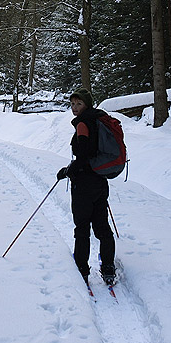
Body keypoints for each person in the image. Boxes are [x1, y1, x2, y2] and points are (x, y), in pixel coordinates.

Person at [57, 88, 116, 286]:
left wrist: (68, 171)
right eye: (72, 104)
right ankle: (108, 268)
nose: (74, 108)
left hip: (84, 184)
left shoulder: (83, 123)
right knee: (102, 227)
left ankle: (81, 270)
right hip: (100, 181)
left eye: (79, 104)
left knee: (82, 228)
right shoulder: (99, 119)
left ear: (87, 104)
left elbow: (83, 155)